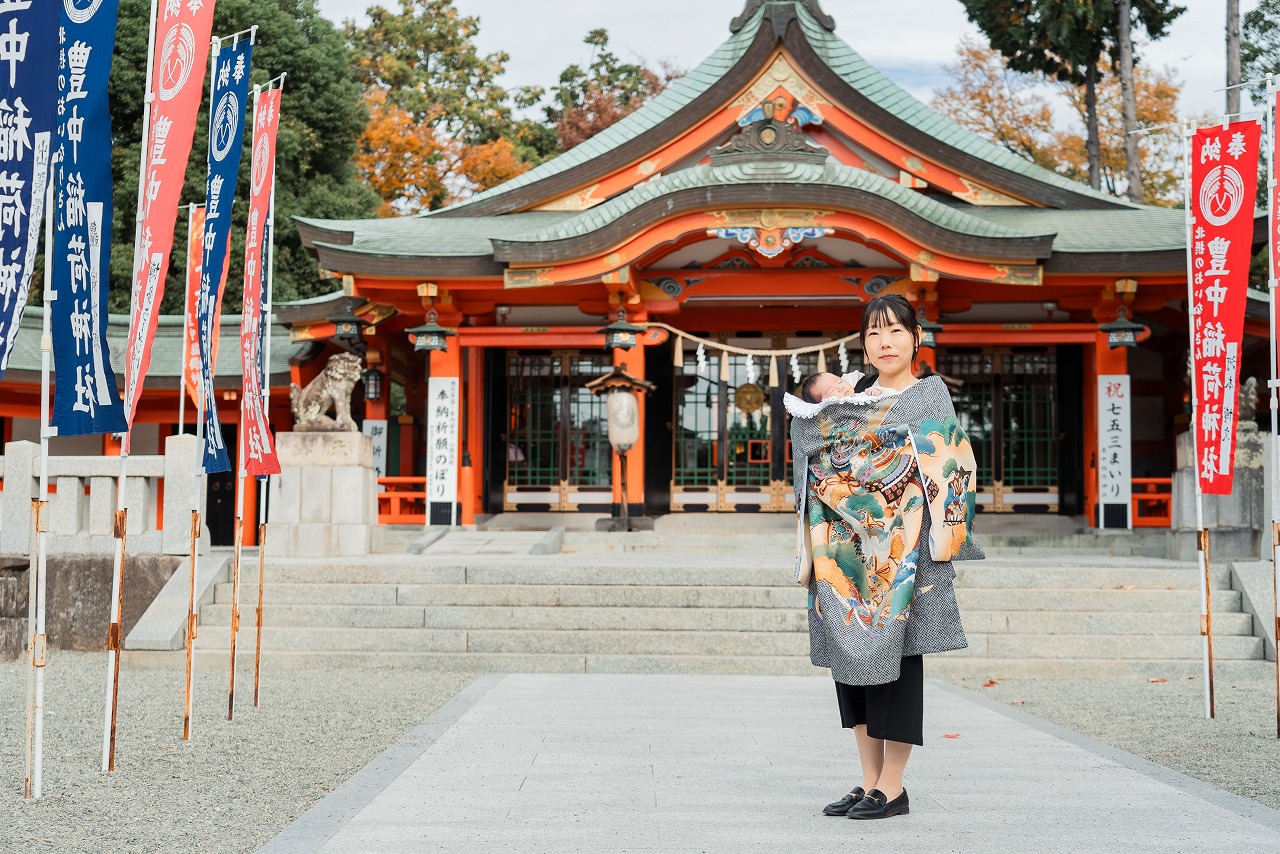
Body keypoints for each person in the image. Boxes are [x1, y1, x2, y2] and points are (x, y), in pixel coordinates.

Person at [786, 293, 982, 820]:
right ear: (863, 345)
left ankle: (893, 786)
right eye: (874, 333)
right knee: (850, 661)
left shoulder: (928, 397)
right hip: (844, 555)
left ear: (916, 338)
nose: (885, 342)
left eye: (895, 330)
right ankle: (868, 779)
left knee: (898, 662)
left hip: (902, 556)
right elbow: (808, 442)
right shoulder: (848, 396)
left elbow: (951, 468)